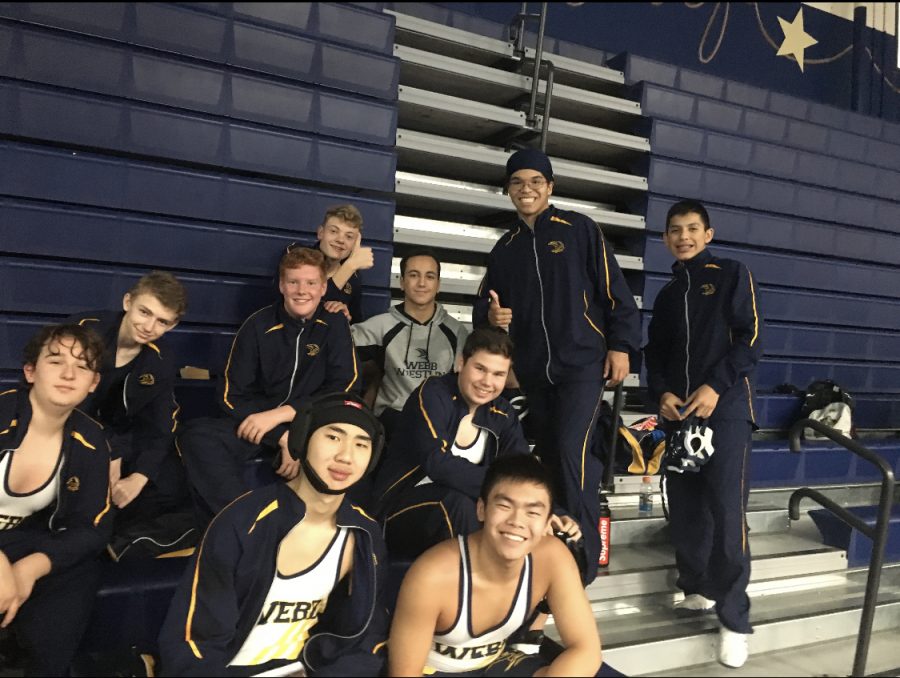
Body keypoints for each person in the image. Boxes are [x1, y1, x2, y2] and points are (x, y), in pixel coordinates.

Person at [474, 148, 641, 583]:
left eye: (535, 181)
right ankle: (552, 553)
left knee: (572, 453)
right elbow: (484, 315)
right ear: (507, 190)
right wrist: (494, 323)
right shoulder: (505, 249)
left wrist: (621, 346)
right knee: (548, 461)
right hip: (534, 373)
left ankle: (580, 568)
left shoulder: (579, 229)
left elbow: (615, 293)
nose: (525, 189)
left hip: (582, 365)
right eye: (516, 183)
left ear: (550, 187)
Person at [159, 392, 388, 676]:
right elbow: (192, 643)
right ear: (301, 439)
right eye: (333, 437)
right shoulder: (242, 522)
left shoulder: (365, 533)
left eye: (361, 444)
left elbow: (365, 636)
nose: (345, 456)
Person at [643, 199, 763, 668]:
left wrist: (715, 386)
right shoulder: (669, 295)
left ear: (708, 234)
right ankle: (695, 586)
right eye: (675, 230)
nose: (684, 236)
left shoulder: (733, 274)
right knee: (688, 510)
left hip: (727, 413)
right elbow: (655, 354)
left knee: (727, 515)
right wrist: (662, 394)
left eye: (693, 228)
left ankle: (734, 619)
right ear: (666, 238)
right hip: (681, 419)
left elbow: (749, 338)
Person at [387, 454, 617, 677]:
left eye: (533, 512)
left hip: (496, 663)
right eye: (505, 506)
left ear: (548, 521)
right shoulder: (433, 574)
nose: (517, 521)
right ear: (481, 509)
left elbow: (585, 649)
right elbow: (405, 673)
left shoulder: (552, 557)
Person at [179, 247, 360, 525]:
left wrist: (290, 420)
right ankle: (248, 524)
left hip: (313, 425)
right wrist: (281, 436)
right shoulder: (257, 325)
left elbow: (344, 389)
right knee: (197, 435)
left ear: (324, 287)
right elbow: (229, 396)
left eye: (311, 283)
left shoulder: (334, 323)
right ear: (281, 285)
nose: (302, 290)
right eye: (293, 282)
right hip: (260, 427)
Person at [372, 328, 578, 560]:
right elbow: (437, 463)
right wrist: (502, 490)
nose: (487, 382)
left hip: (466, 509)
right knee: (459, 504)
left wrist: (551, 512)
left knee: (549, 531)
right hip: (398, 510)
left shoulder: (502, 413)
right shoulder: (433, 393)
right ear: (461, 363)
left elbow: (522, 472)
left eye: (498, 374)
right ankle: (475, 587)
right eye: (480, 369)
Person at [0, 324, 113, 675]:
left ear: (93, 382)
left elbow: (92, 529)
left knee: (77, 571)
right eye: (56, 360)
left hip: (21, 539)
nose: (69, 373)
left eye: (82, 366)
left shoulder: (91, 440)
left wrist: (29, 567)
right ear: (30, 371)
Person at [67, 272, 191, 556]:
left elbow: (161, 423)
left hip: (122, 439)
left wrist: (140, 476)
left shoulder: (161, 359)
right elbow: (64, 402)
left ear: (173, 325)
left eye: (162, 321)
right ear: (127, 302)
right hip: (64, 430)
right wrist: (109, 452)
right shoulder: (83, 331)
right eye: (144, 312)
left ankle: (122, 542)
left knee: (173, 486)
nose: (149, 327)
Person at [351, 247, 469, 438]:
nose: (422, 283)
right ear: (402, 282)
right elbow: (333, 348)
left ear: (438, 284)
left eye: (429, 276)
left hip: (439, 422)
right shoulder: (380, 326)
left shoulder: (456, 332)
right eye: (414, 275)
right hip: (393, 421)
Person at [283, 204, 374, 323]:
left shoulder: (353, 277)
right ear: (321, 232)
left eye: (349, 236)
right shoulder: (296, 254)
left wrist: (345, 318)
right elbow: (297, 310)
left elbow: (355, 323)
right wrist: (349, 266)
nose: (341, 240)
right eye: (334, 231)